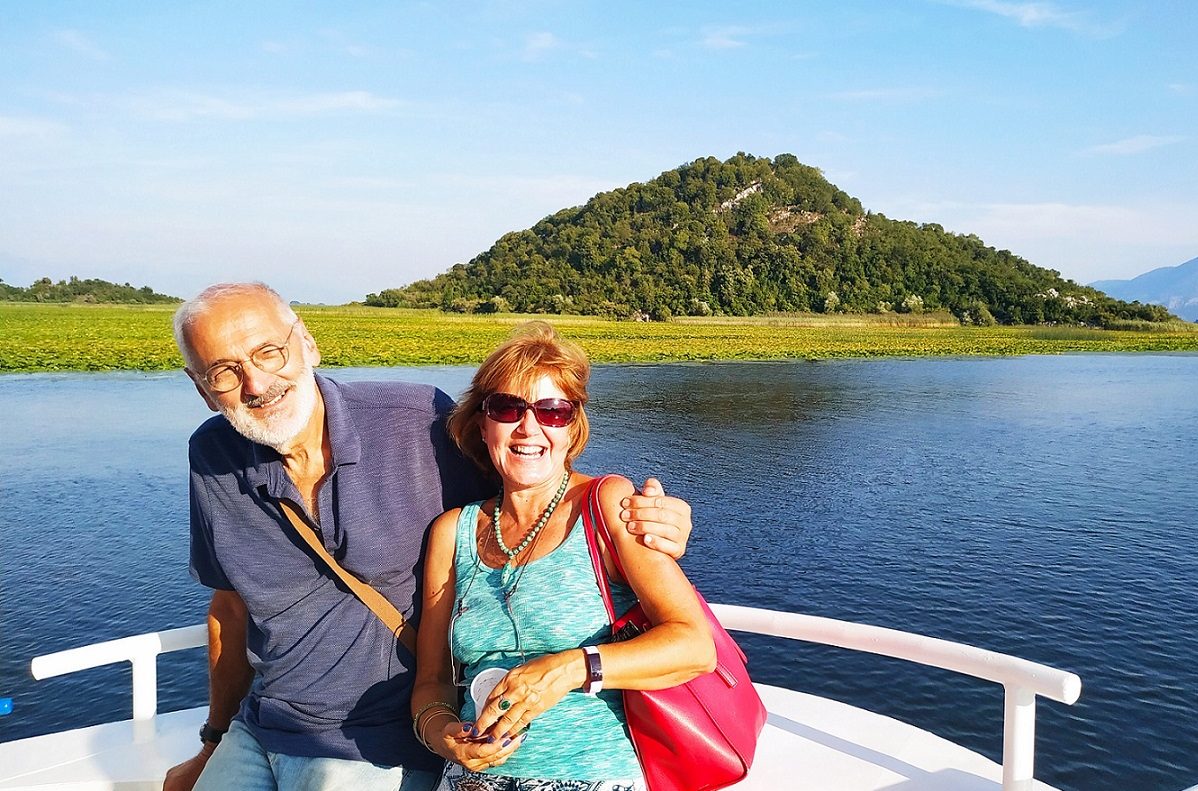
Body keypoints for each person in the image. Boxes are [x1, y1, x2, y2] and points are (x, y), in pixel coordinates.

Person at [164, 283, 696, 791]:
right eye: (225, 372)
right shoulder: (213, 457)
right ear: (202, 388)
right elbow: (230, 608)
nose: (256, 384)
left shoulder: (417, 422)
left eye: (268, 353)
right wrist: (213, 741)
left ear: (305, 342)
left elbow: (540, 475)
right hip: (267, 725)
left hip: (368, 748)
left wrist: (654, 520)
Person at [411, 321, 715, 791]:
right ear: (482, 423)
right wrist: (444, 735)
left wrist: (571, 668)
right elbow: (431, 683)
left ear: (573, 429)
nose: (528, 427)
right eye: (507, 408)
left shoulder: (606, 503)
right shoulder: (453, 532)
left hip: (592, 779)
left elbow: (695, 647)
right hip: (471, 781)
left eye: (553, 411)